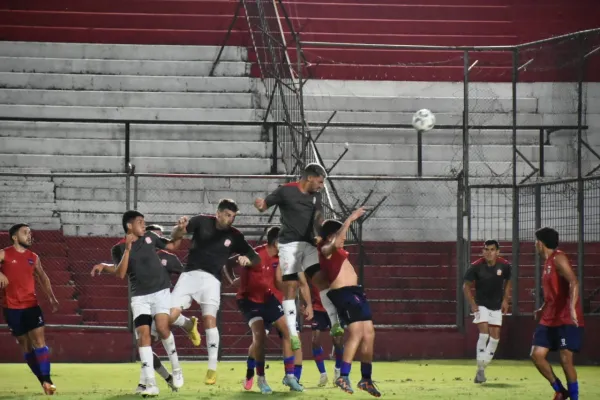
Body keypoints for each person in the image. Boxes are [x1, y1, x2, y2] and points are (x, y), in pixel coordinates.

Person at [91, 224, 197, 393]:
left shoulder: (169, 258)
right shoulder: (135, 256)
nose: (154, 240)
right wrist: (104, 266)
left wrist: (180, 298)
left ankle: (154, 380)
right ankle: (164, 378)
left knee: (154, 335)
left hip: (162, 303)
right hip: (143, 302)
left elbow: (185, 277)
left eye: (158, 237)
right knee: (144, 346)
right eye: (152, 236)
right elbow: (120, 270)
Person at [169, 198, 261, 385]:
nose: (230, 219)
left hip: (211, 280)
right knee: (168, 317)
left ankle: (212, 368)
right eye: (227, 215)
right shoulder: (201, 221)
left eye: (233, 216)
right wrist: (179, 228)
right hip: (189, 275)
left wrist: (246, 260)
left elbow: (256, 258)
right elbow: (175, 235)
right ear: (218, 213)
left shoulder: (235, 235)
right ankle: (187, 325)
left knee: (209, 321)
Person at [254, 163, 344, 353]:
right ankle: (294, 334)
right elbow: (264, 206)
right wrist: (261, 205)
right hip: (289, 245)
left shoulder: (316, 196)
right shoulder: (285, 191)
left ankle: (335, 323)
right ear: (310, 177)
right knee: (292, 286)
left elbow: (319, 218)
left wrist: (322, 230)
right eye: (319, 182)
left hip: (308, 244)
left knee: (321, 281)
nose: (321, 186)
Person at [111, 210, 187, 396]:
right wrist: (128, 249)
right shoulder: (118, 248)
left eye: (144, 222)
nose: (144, 225)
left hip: (160, 291)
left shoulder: (150, 237)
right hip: (139, 297)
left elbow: (172, 245)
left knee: (162, 327)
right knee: (143, 335)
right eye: (140, 222)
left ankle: (176, 370)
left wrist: (180, 230)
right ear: (129, 226)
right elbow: (121, 273)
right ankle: (151, 384)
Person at [317, 208, 381, 397]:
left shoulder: (339, 251)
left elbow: (338, 242)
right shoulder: (326, 249)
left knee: (369, 333)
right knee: (356, 333)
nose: (344, 238)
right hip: (343, 294)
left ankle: (366, 379)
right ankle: (343, 376)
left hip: (355, 293)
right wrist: (350, 219)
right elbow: (333, 243)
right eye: (340, 234)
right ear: (330, 236)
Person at [234, 226, 304, 393]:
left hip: (268, 299)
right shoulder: (258, 254)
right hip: (249, 301)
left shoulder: (280, 258)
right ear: (276, 242)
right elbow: (244, 259)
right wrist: (242, 260)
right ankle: (258, 377)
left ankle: (290, 376)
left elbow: (280, 281)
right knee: (260, 339)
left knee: (288, 332)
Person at [0, 223, 59, 395]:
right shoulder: (4, 253)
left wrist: (51, 297)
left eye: (30, 233)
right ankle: (43, 381)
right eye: (25, 233)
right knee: (25, 346)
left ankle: (47, 380)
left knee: (39, 343)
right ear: (14, 237)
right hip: (11, 308)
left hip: (31, 306)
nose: (29, 235)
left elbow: (43, 276)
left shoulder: (33, 256)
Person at [531, 227, 584, 400]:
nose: (535, 244)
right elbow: (552, 293)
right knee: (537, 355)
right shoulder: (546, 263)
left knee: (565, 360)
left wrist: (571, 308)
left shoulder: (558, 258)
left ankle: (574, 398)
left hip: (565, 318)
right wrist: (542, 307)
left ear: (540, 242)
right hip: (549, 316)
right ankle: (560, 390)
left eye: (536, 241)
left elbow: (574, 282)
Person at [463, 239, 511, 384]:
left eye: (492, 250)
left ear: (498, 252)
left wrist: (505, 300)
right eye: (486, 250)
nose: (489, 253)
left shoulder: (505, 265)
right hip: (481, 304)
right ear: (483, 251)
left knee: (495, 338)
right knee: (484, 334)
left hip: (496, 305)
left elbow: (508, 281)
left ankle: (481, 368)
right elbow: (466, 286)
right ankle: (481, 370)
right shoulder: (476, 267)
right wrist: (472, 304)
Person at [308, 282, 345, 386]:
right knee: (315, 341)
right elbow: (306, 285)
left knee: (338, 341)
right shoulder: (311, 268)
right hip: (318, 309)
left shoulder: (333, 268)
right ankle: (323, 375)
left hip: (334, 309)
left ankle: (338, 371)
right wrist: (307, 304)